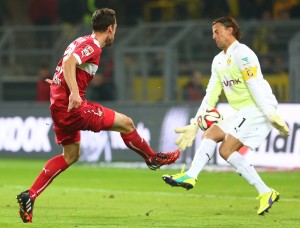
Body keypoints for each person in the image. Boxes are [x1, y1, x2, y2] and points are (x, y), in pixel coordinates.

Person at [16, 8, 180, 223]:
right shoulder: (92, 45)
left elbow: (65, 66)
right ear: (110, 28)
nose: (115, 33)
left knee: (70, 156)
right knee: (127, 123)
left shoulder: (80, 40)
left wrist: (60, 85)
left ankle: (30, 194)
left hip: (58, 107)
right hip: (73, 107)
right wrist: (73, 92)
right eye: (116, 29)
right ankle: (152, 158)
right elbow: (68, 64)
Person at [162, 16, 290, 216]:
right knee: (210, 134)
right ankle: (191, 176)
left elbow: (254, 85)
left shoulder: (244, 54)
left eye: (217, 31)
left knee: (226, 149)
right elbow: (211, 94)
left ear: (230, 30)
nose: (213, 36)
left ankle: (265, 191)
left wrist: (270, 114)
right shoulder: (218, 60)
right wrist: (195, 123)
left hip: (258, 107)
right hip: (243, 110)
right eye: (212, 32)